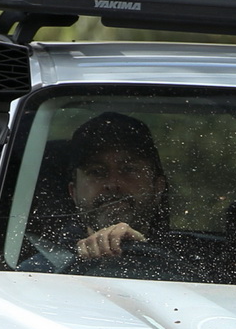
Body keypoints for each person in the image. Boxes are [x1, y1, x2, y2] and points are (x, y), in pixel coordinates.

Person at [64, 112, 170, 262]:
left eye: (129, 169)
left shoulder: (195, 258)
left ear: (158, 187)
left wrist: (147, 252)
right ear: (73, 192)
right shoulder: (42, 270)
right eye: (96, 172)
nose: (113, 184)